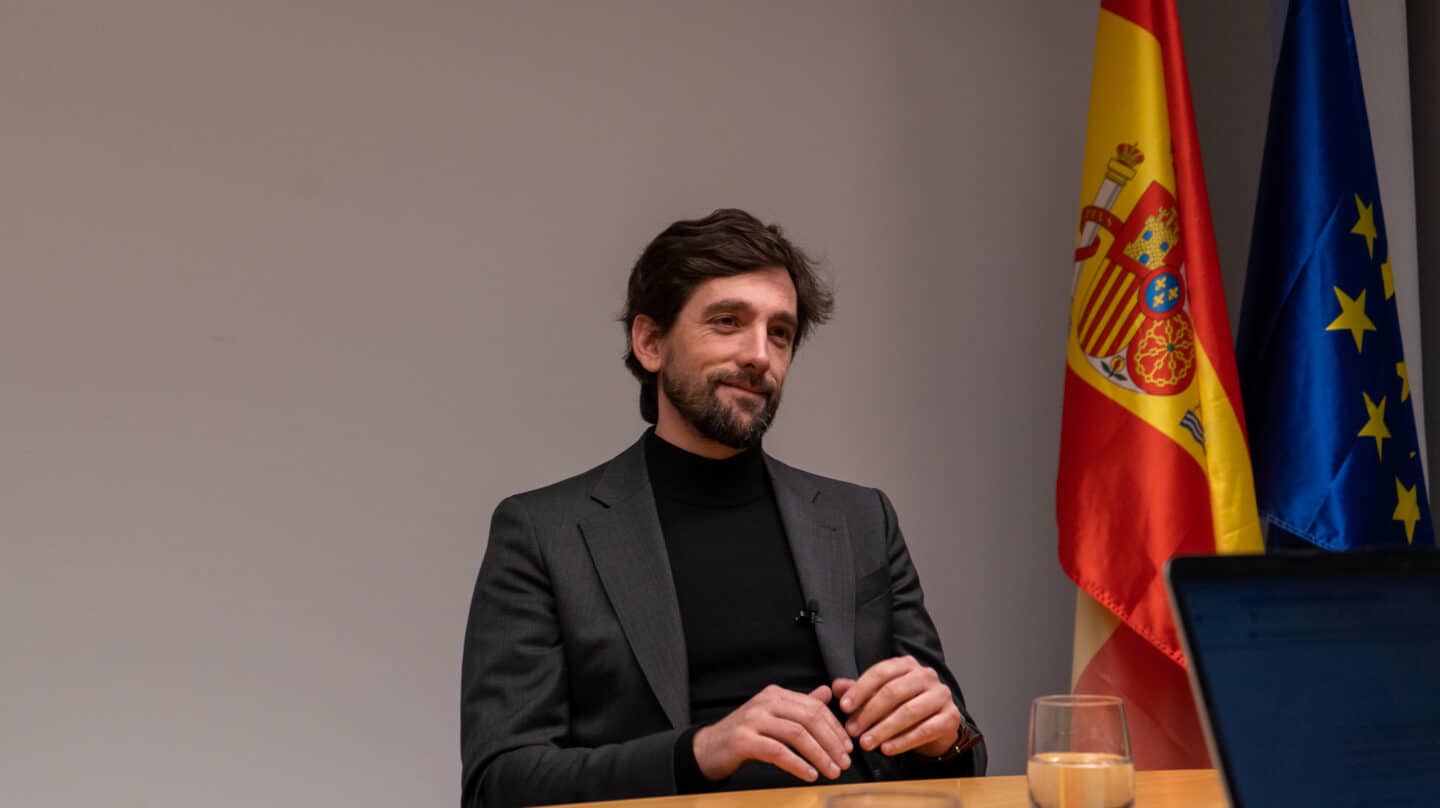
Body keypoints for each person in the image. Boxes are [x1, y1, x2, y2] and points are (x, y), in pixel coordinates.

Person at [460, 209, 985, 807]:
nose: (760, 355)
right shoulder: (542, 533)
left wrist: (945, 735)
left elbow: (962, 753)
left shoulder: (862, 518)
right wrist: (700, 751)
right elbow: (498, 785)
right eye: (728, 322)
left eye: (780, 333)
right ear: (651, 343)